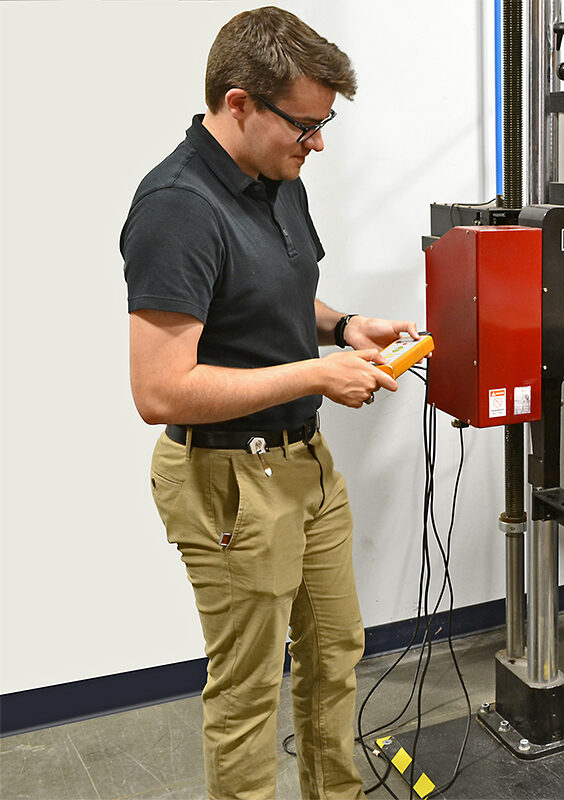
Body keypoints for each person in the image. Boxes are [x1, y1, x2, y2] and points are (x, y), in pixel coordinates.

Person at [121, 7, 415, 798]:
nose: (316, 143)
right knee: (249, 693)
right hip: (228, 484)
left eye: (324, 125)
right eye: (305, 125)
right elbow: (159, 390)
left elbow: (273, 299)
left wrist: (346, 325)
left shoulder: (278, 177)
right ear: (240, 102)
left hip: (304, 469)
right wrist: (317, 377)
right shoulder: (177, 208)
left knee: (334, 657)